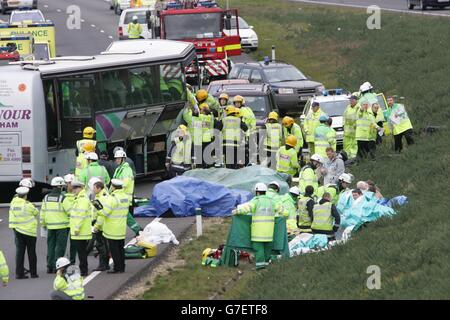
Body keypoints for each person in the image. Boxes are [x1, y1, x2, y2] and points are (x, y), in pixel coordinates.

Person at [232, 183, 283, 270]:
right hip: (269, 231)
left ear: (257, 192)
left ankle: (260, 265)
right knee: (267, 247)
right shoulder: (272, 201)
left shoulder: (256, 201)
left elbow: (246, 209)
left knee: (258, 248)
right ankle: (266, 263)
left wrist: (236, 211)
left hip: (258, 231)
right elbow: (283, 211)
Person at [40, 177, 70, 274]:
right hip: (61, 227)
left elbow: (42, 212)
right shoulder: (62, 198)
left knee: (51, 246)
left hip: (50, 226)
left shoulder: (46, 197)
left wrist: (43, 224)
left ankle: (50, 266)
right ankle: (58, 266)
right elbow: (70, 211)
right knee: (60, 247)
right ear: (59, 186)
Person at [9, 186, 39, 279]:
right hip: (29, 232)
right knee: (31, 252)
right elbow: (36, 212)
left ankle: (19, 273)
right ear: (25, 195)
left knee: (19, 252)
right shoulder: (28, 205)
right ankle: (33, 273)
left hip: (18, 230)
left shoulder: (13, 204)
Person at [103, 179, 130, 274]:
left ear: (113, 187)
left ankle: (117, 268)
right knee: (121, 248)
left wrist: (99, 210)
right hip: (121, 227)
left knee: (114, 250)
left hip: (112, 228)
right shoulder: (125, 197)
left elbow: (105, 212)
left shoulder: (112, 198)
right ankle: (122, 267)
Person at [112, 149, 141, 236]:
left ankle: (138, 230)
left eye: (118, 158)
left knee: (125, 216)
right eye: (116, 158)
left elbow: (125, 183)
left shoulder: (127, 169)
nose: (116, 160)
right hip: (119, 196)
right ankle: (138, 230)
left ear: (123, 159)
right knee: (126, 216)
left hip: (124, 197)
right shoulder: (118, 169)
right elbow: (114, 182)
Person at [69, 180, 92, 276]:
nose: (73, 190)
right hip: (79, 231)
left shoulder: (82, 199)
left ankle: (84, 270)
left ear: (80, 188)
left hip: (80, 231)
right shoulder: (79, 198)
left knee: (81, 252)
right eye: (73, 188)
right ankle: (83, 269)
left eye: (75, 188)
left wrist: (77, 228)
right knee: (81, 251)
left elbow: (80, 215)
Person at [233, 95, 256, 164]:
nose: (237, 104)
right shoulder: (248, 109)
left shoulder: (242, 111)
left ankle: (243, 163)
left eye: (238, 103)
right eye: (235, 103)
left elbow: (242, 123)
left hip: (244, 133)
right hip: (247, 133)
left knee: (242, 150)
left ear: (241, 103)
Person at [343, 95, 359, 159]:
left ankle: (353, 158)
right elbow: (344, 116)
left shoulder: (358, 107)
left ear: (356, 100)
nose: (351, 101)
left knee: (354, 146)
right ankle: (347, 158)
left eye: (352, 100)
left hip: (355, 131)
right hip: (347, 132)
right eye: (350, 100)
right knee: (346, 146)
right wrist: (343, 125)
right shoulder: (348, 107)